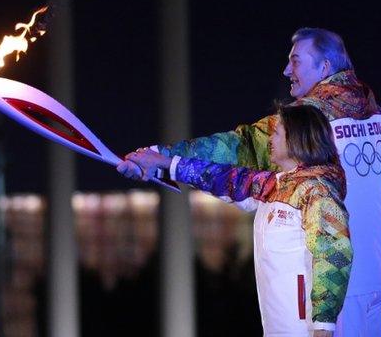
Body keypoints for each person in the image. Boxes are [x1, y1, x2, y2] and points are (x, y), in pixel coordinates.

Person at [119, 27, 381, 337]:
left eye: (296, 61)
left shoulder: (305, 120)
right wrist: (360, 232)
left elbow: (238, 148)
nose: (287, 70)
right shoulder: (378, 116)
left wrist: (158, 157)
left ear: (324, 67)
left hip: (331, 283)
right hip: (378, 276)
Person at [121, 105, 352, 336]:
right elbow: (220, 178)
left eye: (277, 133)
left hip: (307, 328)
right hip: (277, 326)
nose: (270, 139)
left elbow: (333, 253)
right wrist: (163, 163)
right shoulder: (273, 185)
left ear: (296, 139)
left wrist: (324, 325)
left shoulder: (317, 192)